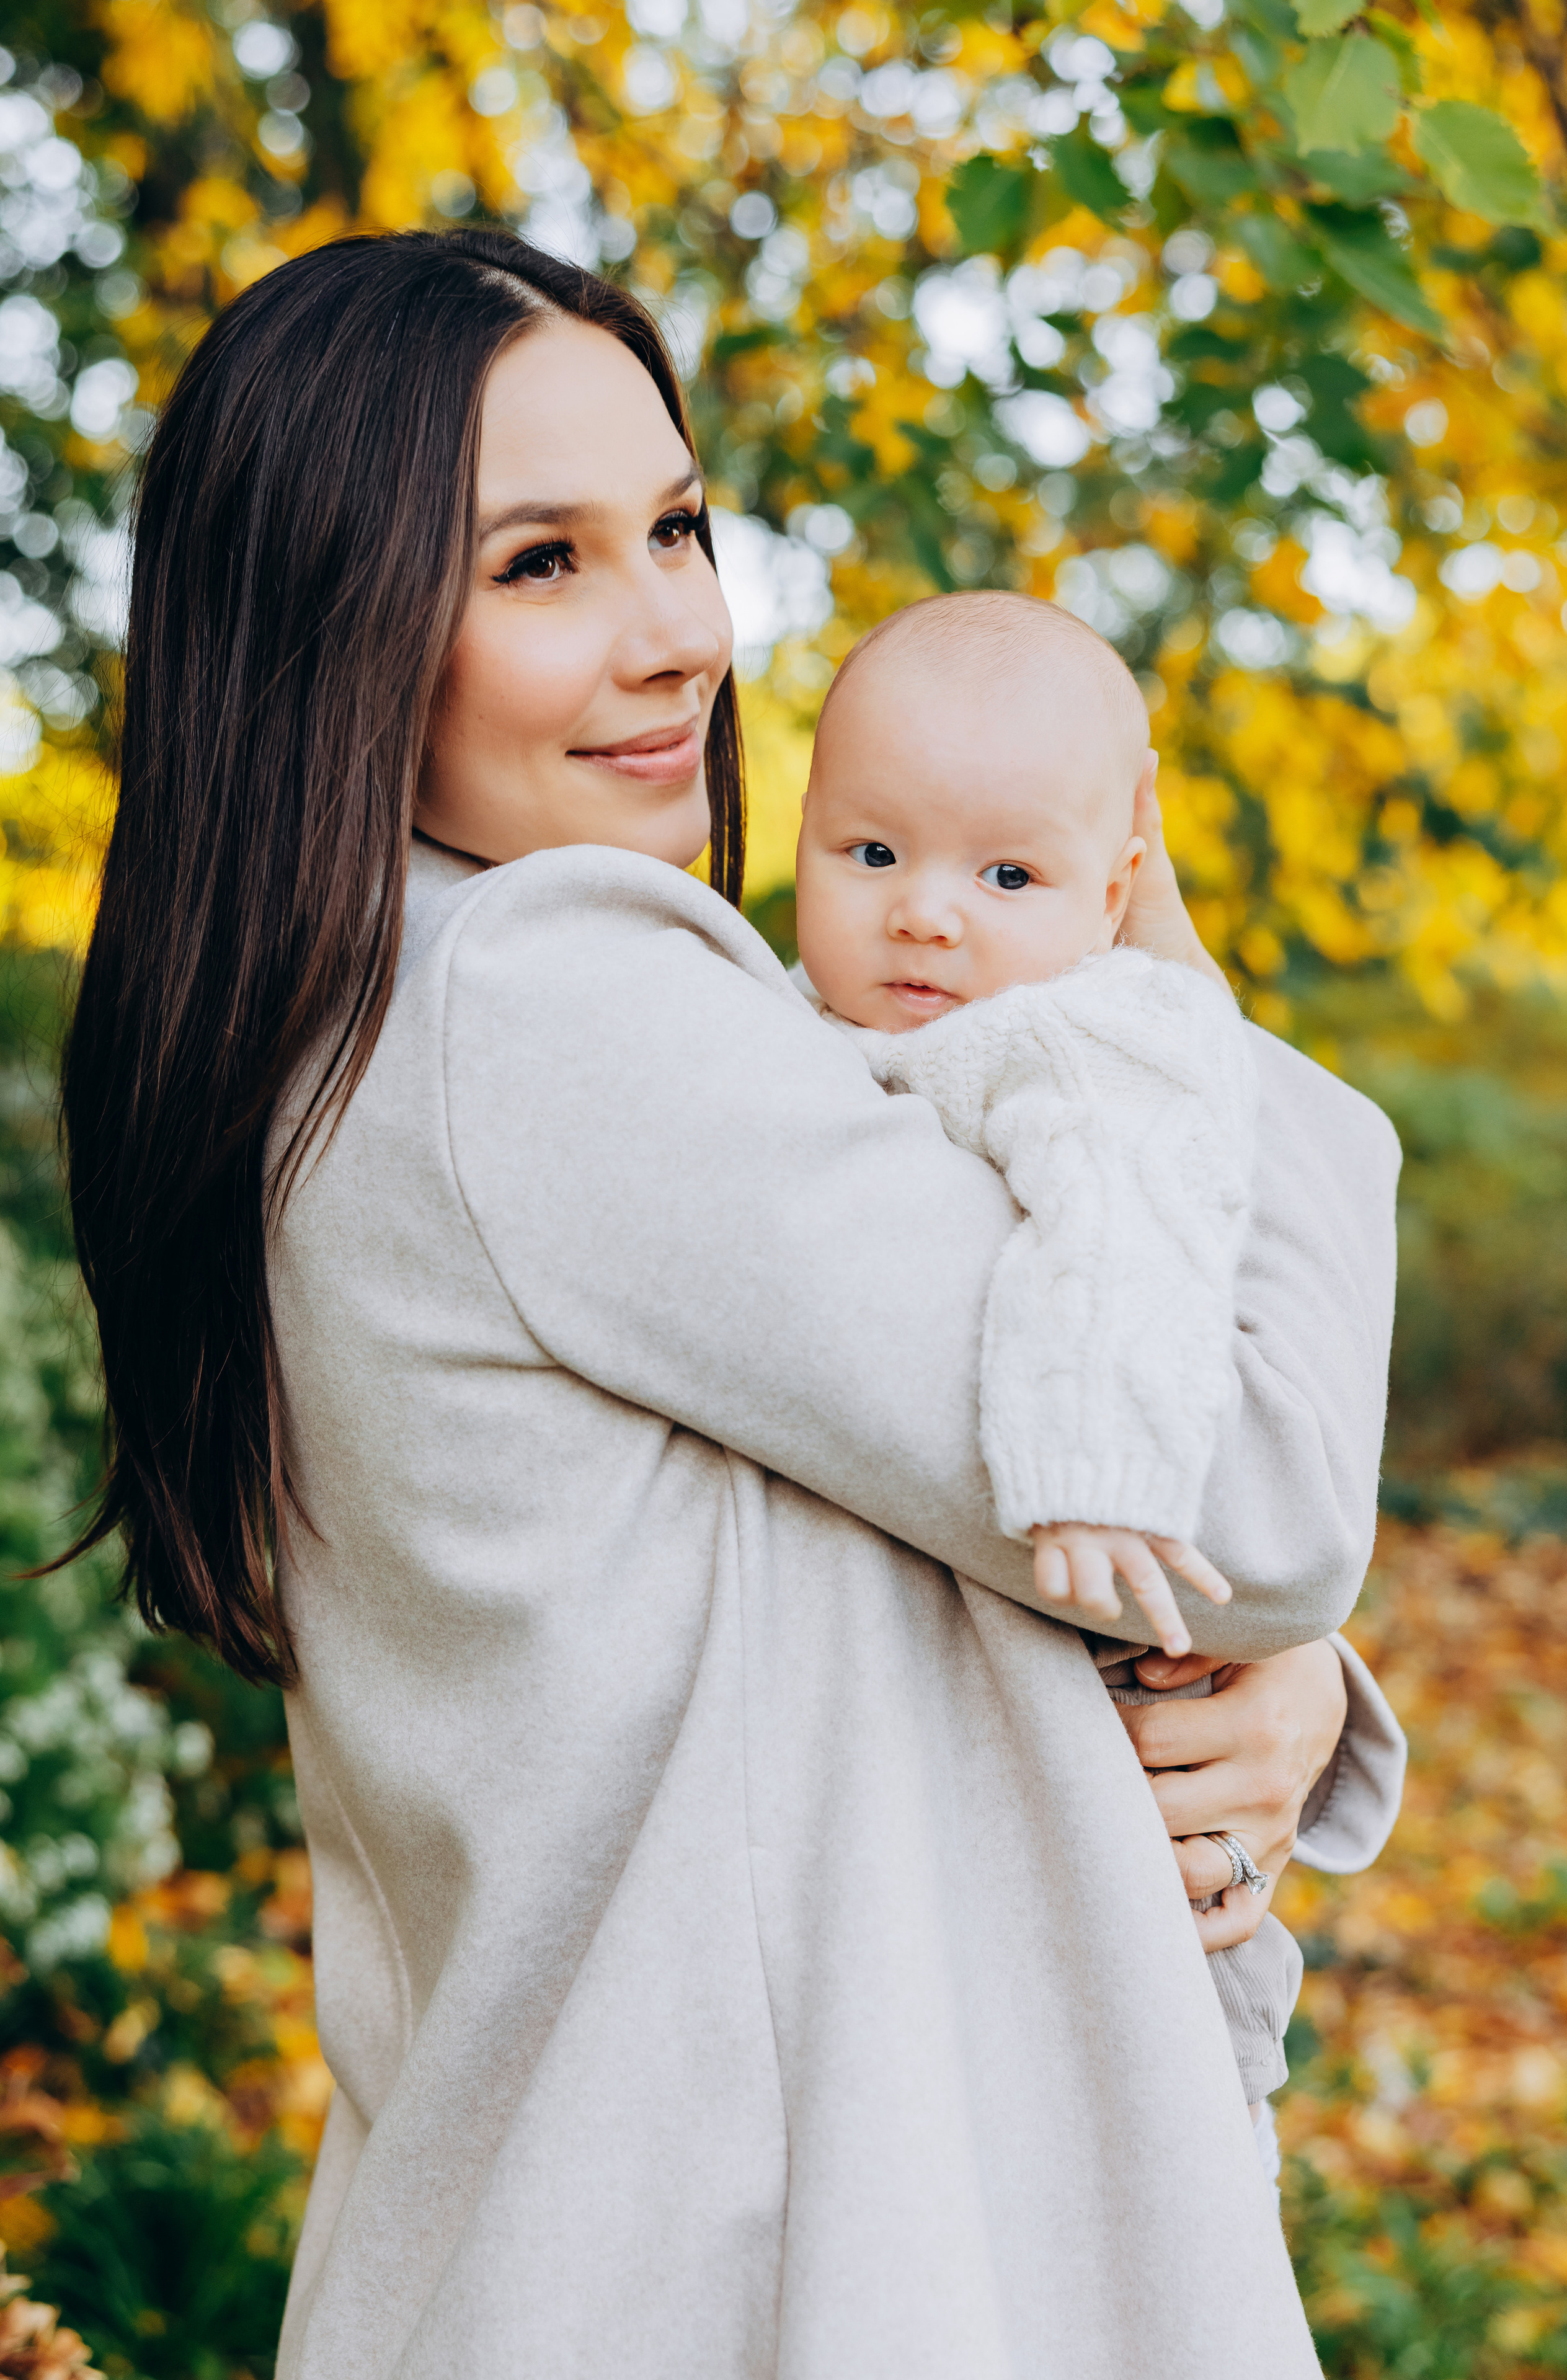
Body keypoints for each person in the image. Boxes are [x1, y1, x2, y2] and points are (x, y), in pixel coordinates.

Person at [57, 228, 1405, 2380]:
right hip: (776, 2276)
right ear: (332, 626)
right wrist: (1189, 1014)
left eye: (678, 527)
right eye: (542, 563)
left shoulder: (357, 1021)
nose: (678, 631)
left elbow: (910, 1527)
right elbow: (1238, 1489)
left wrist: (1285, 1683)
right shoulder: (544, 1006)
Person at [792, 587, 1341, 2134]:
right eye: (869, 851)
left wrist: (1094, 1462)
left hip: (1108, 1583)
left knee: (1165, 2012)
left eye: (1005, 874)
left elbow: (1123, 1229)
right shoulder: (806, 1025)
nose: (923, 913)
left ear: (1114, 894)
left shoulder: (1078, 1039)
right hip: (932, 1702)